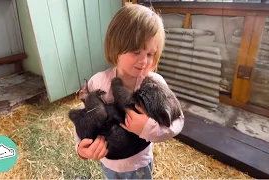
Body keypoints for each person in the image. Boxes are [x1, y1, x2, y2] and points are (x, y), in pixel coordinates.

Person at [73, 4, 185, 179]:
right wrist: (81, 149)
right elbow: (85, 119)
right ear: (116, 47)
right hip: (109, 164)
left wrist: (150, 129)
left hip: (140, 164)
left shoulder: (155, 83)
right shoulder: (98, 82)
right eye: (136, 51)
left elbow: (178, 121)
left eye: (150, 54)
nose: (144, 61)